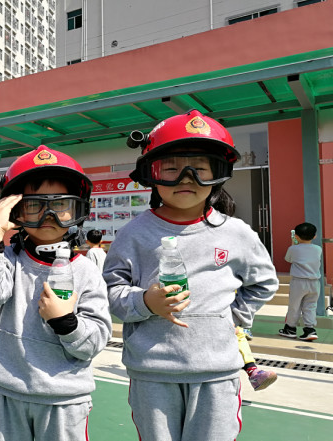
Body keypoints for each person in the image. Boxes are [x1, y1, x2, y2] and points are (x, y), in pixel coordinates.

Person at [104, 110, 278, 440]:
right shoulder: (133, 235)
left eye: (199, 169)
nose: (186, 178)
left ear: (218, 174)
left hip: (217, 373)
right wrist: (145, 302)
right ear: (151, 174)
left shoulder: (236, 232)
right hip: (152, 373)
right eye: (170, 168)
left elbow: (264, 281)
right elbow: (111, 292)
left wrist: (231, 317)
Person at [0, 146, 112, 441]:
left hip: (63, 398)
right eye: (34, 205)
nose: (48, 215)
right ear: (15, 211)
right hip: (4, 390)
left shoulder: (85, 271)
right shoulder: (6, 258)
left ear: (78, 210)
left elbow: (94, 342)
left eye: (61, 205)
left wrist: (66, 323)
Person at [280, 222, 322, 341]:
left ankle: (290, 329)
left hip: (298, 282)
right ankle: (310, 329)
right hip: (315, 283)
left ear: (296, 236)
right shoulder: (318, 249)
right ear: (314, 236)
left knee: (294, 306)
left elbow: (288, 259)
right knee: (310, 306)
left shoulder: (293, 249)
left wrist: (293, 243)